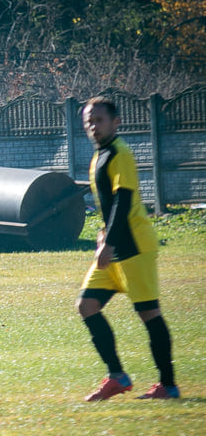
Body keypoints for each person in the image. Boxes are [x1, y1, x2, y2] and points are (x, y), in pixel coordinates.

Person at [77, 96, 179, 401]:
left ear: (116, 122)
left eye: (99, 120)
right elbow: (108, 205)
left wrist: (110, 241)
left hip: (133, 247)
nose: (93, 127)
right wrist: (102, 233)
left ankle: (168, 386)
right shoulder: (99, 156)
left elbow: (123, 200)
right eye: (89, 122)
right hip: (112, 247)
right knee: (87, 306)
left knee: (149, 314)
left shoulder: (120, 153)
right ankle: (117, 377)